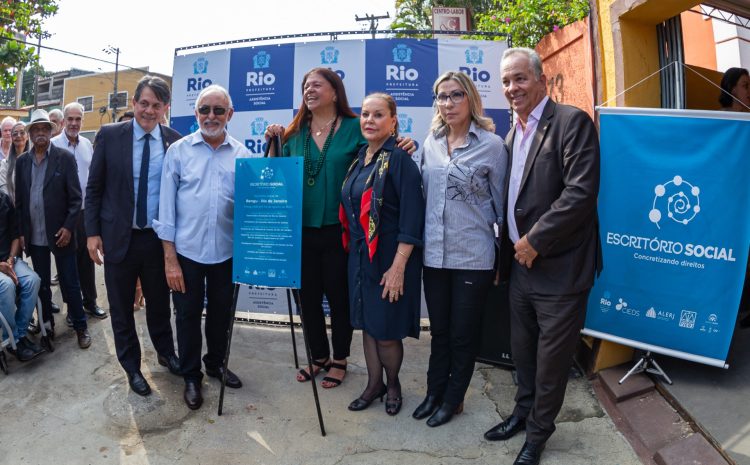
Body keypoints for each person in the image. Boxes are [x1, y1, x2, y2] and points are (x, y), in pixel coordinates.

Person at [482, 48, 602, 465]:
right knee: (523, 353)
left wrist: (535, 240)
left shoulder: (571, 123)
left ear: (541, 80)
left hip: (561, 269)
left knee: (551, 362)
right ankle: (521, 413)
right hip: (521, 270)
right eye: (506, 82)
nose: (512, 88)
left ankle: (537, 436)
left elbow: (580, 193)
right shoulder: (512, 133)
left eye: (519, 79)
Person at [412, 71, 508, 428]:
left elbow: (501, 207)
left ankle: (453, 401)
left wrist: (503, 257)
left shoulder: (492, 146)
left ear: (470, 99)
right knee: (438, 332)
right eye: (441, 97)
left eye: (455, 95)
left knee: (462, 335)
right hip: (434, 256)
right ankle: (433, 393)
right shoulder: (430, 144)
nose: (447, 103)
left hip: (473, 257)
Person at [154, 85, 249, 410]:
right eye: (204, 110)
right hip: (186, 254)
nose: (211, 116)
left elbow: (254, 205)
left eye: (218, 110)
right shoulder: (178, 152)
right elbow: (165, 210)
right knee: (187, 316)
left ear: (230, 115)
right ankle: (192, 376)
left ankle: (216, 363)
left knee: (222, 315)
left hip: (226, 253)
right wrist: (170, 260)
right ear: (196, 114)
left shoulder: (243, 156)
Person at [86, 75, 181, 396]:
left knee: (159, 304)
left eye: (156, 105)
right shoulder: (111, 136)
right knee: (122, 308)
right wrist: (92, 233)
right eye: (144, 103)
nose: (149, 111)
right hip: (118, 239)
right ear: (134, 103)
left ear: (165, 108)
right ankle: (132, 368)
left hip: (156, 241)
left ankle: (167, 354)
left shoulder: (174, 141)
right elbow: (94, 188)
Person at [341, 93, 425, 416]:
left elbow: (412, 216)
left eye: (378, 115)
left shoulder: (400, 159)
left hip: (390, 258)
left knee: (387, 331)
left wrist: (398, 266)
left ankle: (392, 385)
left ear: (393, 121)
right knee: (368, 325)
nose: (369, 121)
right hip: (360, 258)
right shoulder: (360, 156)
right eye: (365, 115)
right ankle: (373, 384)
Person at [14, 109, 91, 349]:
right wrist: (21, 232)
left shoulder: (64, 158)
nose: (39, 133)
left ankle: (80, 326)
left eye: (44, 129)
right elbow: (19, 203)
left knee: (70, 280)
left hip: (61, 234)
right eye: (35, 129)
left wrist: (69, 228)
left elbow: (76, 199)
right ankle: (47, 326)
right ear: (30, 134)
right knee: (42, 284)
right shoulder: (23, 162)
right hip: (35, 234)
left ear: (50, 131)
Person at [52, 102, 107, 320]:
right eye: (70, 119)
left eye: (78, 119)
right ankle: (72, 307)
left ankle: (90, 302)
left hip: (85, 213)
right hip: (62, 216)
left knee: (87, 259)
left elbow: (93, 179)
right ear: (63, 121)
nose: (74, 123)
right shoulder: (53, 145)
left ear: (82, 121)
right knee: (66, 263)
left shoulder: (87, 145)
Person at [0, 189, 44, 362]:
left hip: (9, 260)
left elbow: (15, 235)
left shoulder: (3, 199)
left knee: (33, 280)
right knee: (6, 286)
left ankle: (18, 333)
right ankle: (11, 339)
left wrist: (10, 260)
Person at [0, 121, 29, 202]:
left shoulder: (35, 161)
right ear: (12, 138)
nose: (18, 136)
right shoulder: (5, 163)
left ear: (28, 137)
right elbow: (3, 188)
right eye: (15, 134)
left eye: (22, 133)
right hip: (12, 208)